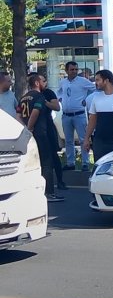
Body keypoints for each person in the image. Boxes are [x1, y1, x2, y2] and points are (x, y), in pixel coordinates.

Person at [18, 74, 65, 202]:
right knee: (46, 162)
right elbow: (36, 111)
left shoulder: (23, 98)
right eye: (43, 81)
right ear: (37, 83)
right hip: (40, 132)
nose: (46, 83)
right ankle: (48, 193)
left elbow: (18, 114)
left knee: (31, 161)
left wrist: (25, 128)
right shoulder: (39, 96)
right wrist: (30, 127)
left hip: (28, 134)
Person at [57, 61, 96, 171]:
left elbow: (94, 89)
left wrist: (87, 100)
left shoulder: (83, 81)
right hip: (66, 115)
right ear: (66, 71)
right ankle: (70, 163)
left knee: (83, 139)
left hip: (79, 114)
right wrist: (60, 98)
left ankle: (85, 162)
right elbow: (58, 92)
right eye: (72, 69)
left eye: (75, 69)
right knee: (68, 140)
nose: (74, 71)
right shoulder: (63, 82)